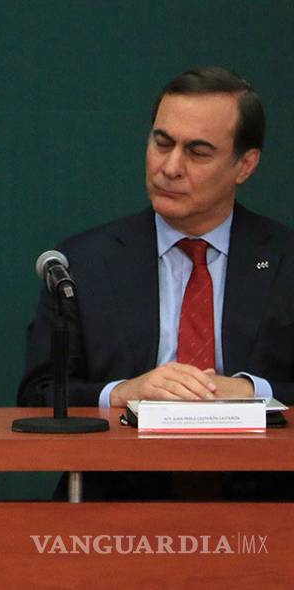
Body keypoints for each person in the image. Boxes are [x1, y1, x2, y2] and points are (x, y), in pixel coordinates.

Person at [19, 66, 294, 499]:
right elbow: (39, 393)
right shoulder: (85, 262)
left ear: (245, 164)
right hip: (117, 499)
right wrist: (124, 392)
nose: (170, 167)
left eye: (198, 152)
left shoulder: (285, 258)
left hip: (268, 501)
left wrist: (250, 390)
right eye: (162, 143)